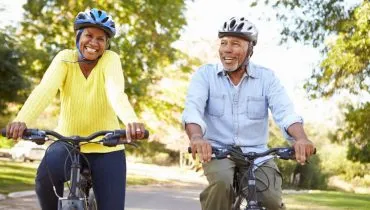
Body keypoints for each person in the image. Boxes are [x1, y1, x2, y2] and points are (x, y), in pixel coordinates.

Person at [4, 8, 145, 210]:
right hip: (67, 143)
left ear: (107, 44)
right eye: (88, 35)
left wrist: (132, 122)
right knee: (43, 180)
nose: (94, 43)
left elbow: (116, 93)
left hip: (107, 146)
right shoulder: (64, 58)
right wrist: (22, 120)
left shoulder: (110, 59)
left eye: (101, 39)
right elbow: (44, 90)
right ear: (78, 36)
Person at [182, 17, 315, 210]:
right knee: (221, 184)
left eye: (235, 44)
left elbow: (285, 112)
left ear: (250, 49)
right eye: (224, 43)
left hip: (257, 153)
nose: (227, 49)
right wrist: (196, 137)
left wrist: (301, 139)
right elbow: (193, 109)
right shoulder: (205, 75)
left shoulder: (266, 78)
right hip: (218, 151)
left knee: (271, 201)